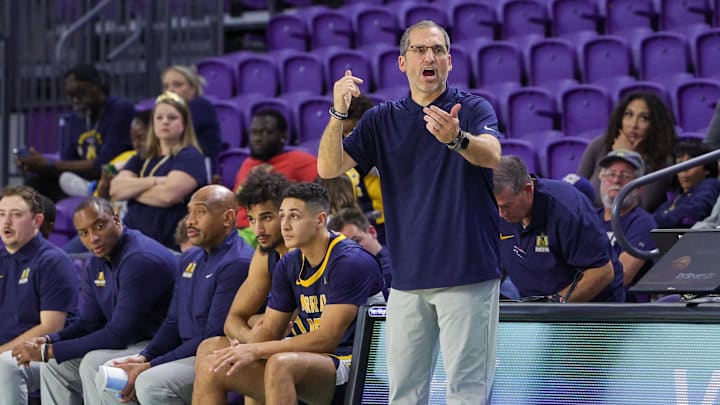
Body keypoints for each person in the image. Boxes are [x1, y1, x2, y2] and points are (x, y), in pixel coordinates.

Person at [317, 20, 502, 404]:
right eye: (419, 50)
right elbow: (328, 168)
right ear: (403, 63)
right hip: (406, 279)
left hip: (466, 273)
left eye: (437, 50)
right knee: (402, 393)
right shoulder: (382, 119)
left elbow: (492, 155)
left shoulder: (470, 108)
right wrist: (337, 113)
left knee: (466, 392)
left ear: (449, 61)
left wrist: (457, 138)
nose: (429, 57)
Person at [192, 182, 385, 404]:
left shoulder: (350, 262)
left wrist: (256, 350)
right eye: (282, 216)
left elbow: (326, 340)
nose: (285, 225)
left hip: (355, 365)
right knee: (211, 355)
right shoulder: (290, 262)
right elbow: (271, 328)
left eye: (294, 216)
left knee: (280, 363)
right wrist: (246, 349)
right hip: (309, 359)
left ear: (320, 220)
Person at [95, 185, 254, 404]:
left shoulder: (237, 262)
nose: (190, 220)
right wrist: (145, 356)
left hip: (213, 358)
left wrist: (150, 365)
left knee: (150, 382)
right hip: (183, 353)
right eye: (189, 212)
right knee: (111, 373)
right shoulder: (190, 258)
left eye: (200, 212)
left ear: (227, 218)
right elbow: (172, 321)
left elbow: (212, 335)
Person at [17, 197, 177, 405]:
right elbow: (89, 322)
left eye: (99, 226)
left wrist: (47, 351)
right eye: (84, 233)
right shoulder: (97, 261)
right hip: (131, 341)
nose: (93, 238)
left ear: (116, 220)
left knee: (93, 363)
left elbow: (118, 335)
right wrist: (50, 340)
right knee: (54, 365)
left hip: (157, 344)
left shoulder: (139, 259)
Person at [494, 156, 625, 302]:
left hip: (591, 309)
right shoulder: (493, 209)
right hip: (533, 306)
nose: (501, 214)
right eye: (496, 206)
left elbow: (602, 272)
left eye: (506, 206)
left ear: (528, 189)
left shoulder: (567, 211)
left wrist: (553, 306)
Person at [0, 186, 78, 405]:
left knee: (4, 366)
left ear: (37, 220)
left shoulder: (53, 261)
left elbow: (51, 327)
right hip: (6, 351)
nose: (6, 222)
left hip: (43, 355)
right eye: (1, 214)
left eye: (16, 215)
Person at [16, 64, 134, 202]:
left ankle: (91, 191)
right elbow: (68, 161)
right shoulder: (76, 118)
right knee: (35, 184)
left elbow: (103, 163)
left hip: (113, 174)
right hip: (81, 178)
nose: (76, 100)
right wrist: (38, 166)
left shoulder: (120, 110)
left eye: (81, 93)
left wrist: (49, 164)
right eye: (71, 96)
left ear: (96, 85)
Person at [110, 91, 207, 250]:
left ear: (184, 124)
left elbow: (168, 196)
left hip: (171, 248)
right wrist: (155, 181)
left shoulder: (190, 156)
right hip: (131, 244)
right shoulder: (142, 157)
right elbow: (116, 189)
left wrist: (133, 191)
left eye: (172, 117)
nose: (165, 122)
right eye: (159, 118)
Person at [224, 169, 293, 344]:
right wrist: (250, 338)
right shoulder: (265, 254)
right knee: (209, 346)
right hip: (276, 342)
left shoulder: (305, 252)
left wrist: (256, 325)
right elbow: (232, 320)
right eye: (252, 219)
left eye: (266, 217)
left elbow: (290, 325)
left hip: (320, 347)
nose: (258, 230)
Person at [577, 92, 677, 212]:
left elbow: (639, 207)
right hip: (592, 221)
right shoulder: (599, 145)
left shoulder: (663, 161)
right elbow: (577, 192)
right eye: (628, 115)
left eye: (643, 118)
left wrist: (625, 155)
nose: (633, 125)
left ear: (655, 125)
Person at [233, 109, 318, 229]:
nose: (258, 138)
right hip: (235, 230)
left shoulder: (300, 161)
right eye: (254, 132)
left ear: (283, 135)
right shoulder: (247, 164)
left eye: (267, 132)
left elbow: (324, 194)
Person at [596, 150, 657, 297]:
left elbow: (621, 276)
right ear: (601, 179)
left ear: (640, 187)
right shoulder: (589, 217)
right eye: (610, 174)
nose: (616, 180)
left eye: (625, 176)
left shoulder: (643, 222)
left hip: (622, 308)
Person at [161, 65, 222, 172]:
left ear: (193, 88)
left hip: (200, 167)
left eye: (177, 85)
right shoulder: (165, 111)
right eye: (166, 86)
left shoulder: (200, 106)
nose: (170, 90)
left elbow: (175, 136)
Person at [343, 94, 386, 244]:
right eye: (346, 134)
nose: (350, 138)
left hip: (389, 223)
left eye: (354, 132)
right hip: (360, 228)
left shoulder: (385, 151)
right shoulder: (343, 157)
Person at [652, 140, 720, 228]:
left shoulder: (710, 184)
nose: (684, 169)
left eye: (690, 163)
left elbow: (695, 211)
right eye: (680, 163)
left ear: (707, 168)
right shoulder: (677, 195)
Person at [328, 206, 393, 288]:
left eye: (356, 241)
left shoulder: (395, 268)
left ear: (372, 232)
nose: (351, 251)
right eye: (343, 247)